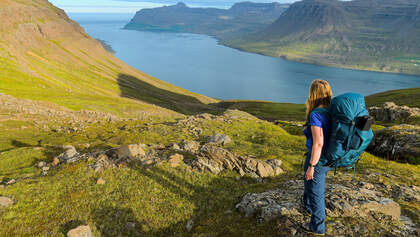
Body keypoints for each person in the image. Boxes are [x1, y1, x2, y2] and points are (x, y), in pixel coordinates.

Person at [302, 79, 332, 236]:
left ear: (313, 94)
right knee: (309, 184)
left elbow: (318, 143)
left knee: (316, 193)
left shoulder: (316, 115)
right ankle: (307, 208)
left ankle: (317, 229)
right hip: (329, 157)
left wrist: (312, 166)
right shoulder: (331, 110)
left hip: (318, 160)